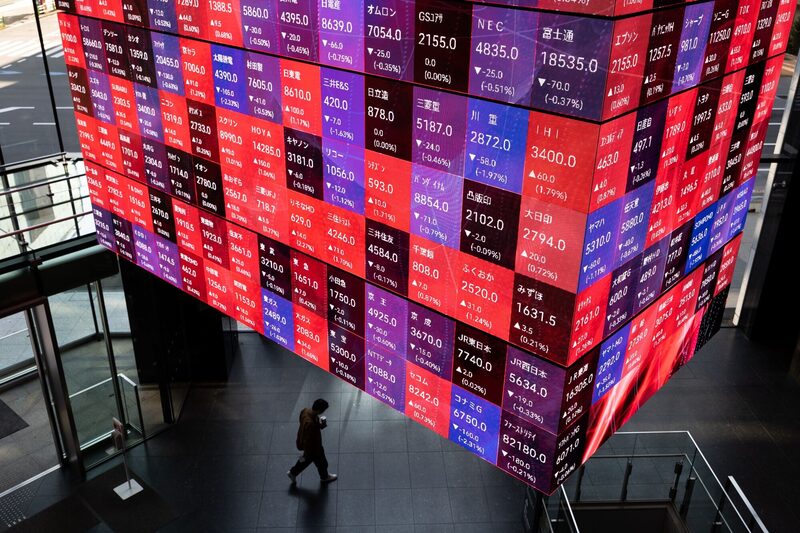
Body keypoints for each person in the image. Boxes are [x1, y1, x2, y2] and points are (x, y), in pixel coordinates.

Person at [287, 398, 337, 484]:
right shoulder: (311, 425)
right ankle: (324, 477)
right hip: (314, 448)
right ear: (320, 410)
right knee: (322, 463)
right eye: (323, 410)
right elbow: (309, 440)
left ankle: (292, 473)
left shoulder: (305, 411)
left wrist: (320, 425)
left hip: (309, 447)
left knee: (304, 461)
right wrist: (309, 452)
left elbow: (302, 422)